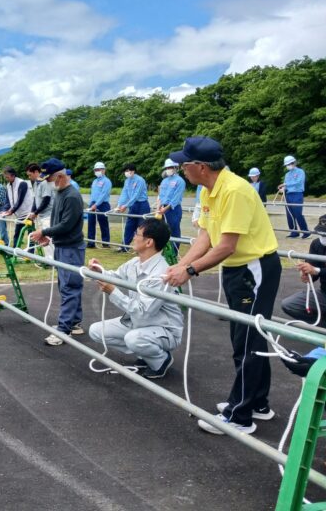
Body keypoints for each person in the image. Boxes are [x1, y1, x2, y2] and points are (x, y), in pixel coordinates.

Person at [165, 136, 280, 435]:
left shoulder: (235, 190)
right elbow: (205, 236)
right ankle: (258, 403)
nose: (181, 169)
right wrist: (180, 265)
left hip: (253, 268)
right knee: (248, 338)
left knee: (248, 342)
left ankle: (239, 416)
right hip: (236, 270)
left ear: (200, 166)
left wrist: (189, 270)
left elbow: (227, 245)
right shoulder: (208, 190)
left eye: (184, 164)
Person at [88, 219, 183, 379]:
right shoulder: (135, 262)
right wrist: (99, 271)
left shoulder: (160, 274)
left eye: (137, 234)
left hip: (163, 329)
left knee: (133, 339)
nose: (133, 237)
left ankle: (160, 360)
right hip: (139, 324)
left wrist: (113, 292)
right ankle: (147, 354)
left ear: (149, 242)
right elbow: (116, 276)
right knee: (96, 331)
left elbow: (143, 313)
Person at [29, 158, 86, 344]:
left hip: (71, 247)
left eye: (49, 179)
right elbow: (58, 222)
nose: (47, 182)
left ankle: (64, 329)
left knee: (70, 287)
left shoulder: (71, 196)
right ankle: (74, 322)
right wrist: (48, 237)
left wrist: (43, 232)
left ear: (60, 176)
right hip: (62, 245)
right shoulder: (60, 193)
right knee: (66, 285)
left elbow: (66, 225)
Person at [281, 215, 326, 326]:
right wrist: (306, 274)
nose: (323, 236)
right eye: (321, 233)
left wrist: (317, 270)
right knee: (289, 305)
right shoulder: (316, 244)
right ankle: (322, 327)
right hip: (325, 293)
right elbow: (312, 270)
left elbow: (316, 270)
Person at [115, 163, 150, 252]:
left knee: (142, 228)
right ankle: (124, 247)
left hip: (142, 205)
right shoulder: (127, 181)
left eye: (128, 171)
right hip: (133, 205)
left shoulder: (140, 180)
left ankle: (142, 248)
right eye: (125, 171)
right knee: (129, 226)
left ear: (133, 171)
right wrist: (119, 205)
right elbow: (124, 193)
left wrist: (126, 205)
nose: (126, 173)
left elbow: (136, 195)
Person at [156, 159, 186, 251]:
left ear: (176, 168)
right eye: (167, 167)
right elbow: (161, 195)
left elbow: (176, 198)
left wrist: (167, 208)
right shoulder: (164, 181)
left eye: (170, 167)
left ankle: (174, 252)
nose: (168, 169)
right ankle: (165, 251)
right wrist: (159, 207)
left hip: (173, 209)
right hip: (162, 208)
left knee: (174, 231)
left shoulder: (180, 181)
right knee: (163, 231)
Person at [26, 163, 55, 259]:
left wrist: (36, 212)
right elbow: (36, 199)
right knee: (43, 238)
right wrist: (33, 212)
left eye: (30, 175)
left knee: (48, 238)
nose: (29, 177)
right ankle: (48, 258)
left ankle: (51, 260)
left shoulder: (44, 182)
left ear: (36, 172)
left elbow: (46, 200)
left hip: (48, 215)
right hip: (41, 216)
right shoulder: (36, 183)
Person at [278, 155, 309, 238]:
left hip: (297, 194)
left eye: (290, 163)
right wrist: (283, 189)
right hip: (288, 195)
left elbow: (299, 182)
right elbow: (286, 186)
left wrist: (285, 184)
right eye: (287, 164)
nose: (289, 165)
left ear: (294, 162)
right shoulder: (287, 174)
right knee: (289, 214)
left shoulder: (300, 171)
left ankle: (306, 232)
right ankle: (294, 232)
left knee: (298, 213)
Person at [2, 166, 33, 247]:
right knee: (17, 234)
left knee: (31, 235)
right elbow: (8, 201)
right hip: (18, 214)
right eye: (5, 177)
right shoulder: (8, 185)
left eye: (7, 177)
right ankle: (15, 252)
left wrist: (11, 211)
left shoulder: (22, 183)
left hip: (28, 213)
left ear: (13, 175)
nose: (6, 179)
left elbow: (20, 200)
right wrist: (4, 210)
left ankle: (31, 253)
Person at [87, 162, 112, 249]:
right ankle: (91, 242)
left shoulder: (107, 181)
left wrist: (96, 204)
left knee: (103, 223)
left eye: (99, 169)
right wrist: (92, 204)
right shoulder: (94, 181)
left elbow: (104, 194)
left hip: (103, 204)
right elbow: (93, 193)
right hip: (93, 203)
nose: (97, 171)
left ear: (103, 170)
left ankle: (105, 243)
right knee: (91, 223)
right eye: (95, 170)